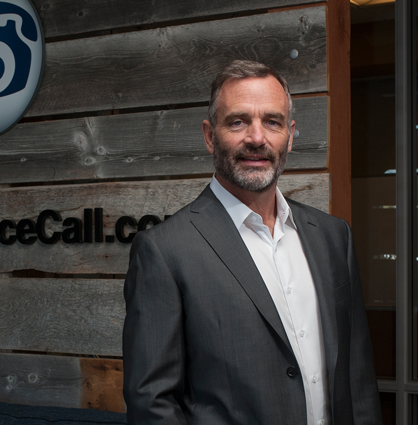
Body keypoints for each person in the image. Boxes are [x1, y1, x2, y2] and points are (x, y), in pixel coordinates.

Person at [122, 60, 382, 424]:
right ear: (210, 135)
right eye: (238, 121)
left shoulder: (333, 236)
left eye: (272, 122)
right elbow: (153, 403)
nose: (257, 138)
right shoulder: (165, 251)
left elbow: (358, 380)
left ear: (290, 135)